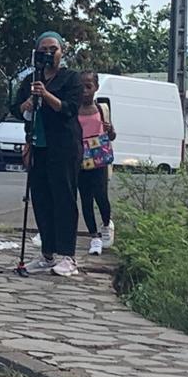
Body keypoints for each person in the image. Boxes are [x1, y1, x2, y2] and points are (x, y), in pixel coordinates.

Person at [11, 32, 83, 277]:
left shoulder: (71, 78)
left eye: (54, 49)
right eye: (44, 49)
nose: (49, 53)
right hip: (37, 145)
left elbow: (69, 109)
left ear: (62, 52)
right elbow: (16, 108)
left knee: (63, 198)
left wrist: (46, 95)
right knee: (41, 199)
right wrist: (25, 105)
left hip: (63, 146)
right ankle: (47, 253)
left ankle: (68, 256)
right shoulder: (31, 79)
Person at [77, 71, 115, 257]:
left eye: (88, 86)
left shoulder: (101, 109)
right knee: (85, 199)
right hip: (80, 160)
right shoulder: (73, 109)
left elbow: (111, 136)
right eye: (81, 87)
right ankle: (94, 237)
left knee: (101, 197)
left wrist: (110, 129)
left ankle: (106, 224)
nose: (84, 91)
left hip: (99, 160)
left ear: (96, 88)